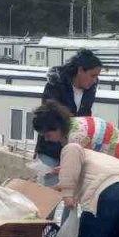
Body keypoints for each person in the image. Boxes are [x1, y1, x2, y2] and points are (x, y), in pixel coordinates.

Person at [35, 50, 103, 178]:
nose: (94, 81)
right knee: (50, 188)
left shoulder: (90, 90)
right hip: (51, 148)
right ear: (80, 70)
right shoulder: (56, 85)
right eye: (92, 75)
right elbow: (51, 118)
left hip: (75, 149)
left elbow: (86, 117)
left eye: (96, 77)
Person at [31, 100, 119, 169]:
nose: (46, 139)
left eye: (48, 135)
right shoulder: (71, 126)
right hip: (116, 158)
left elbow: (77, 170)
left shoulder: (76, 136)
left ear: (57, 127)